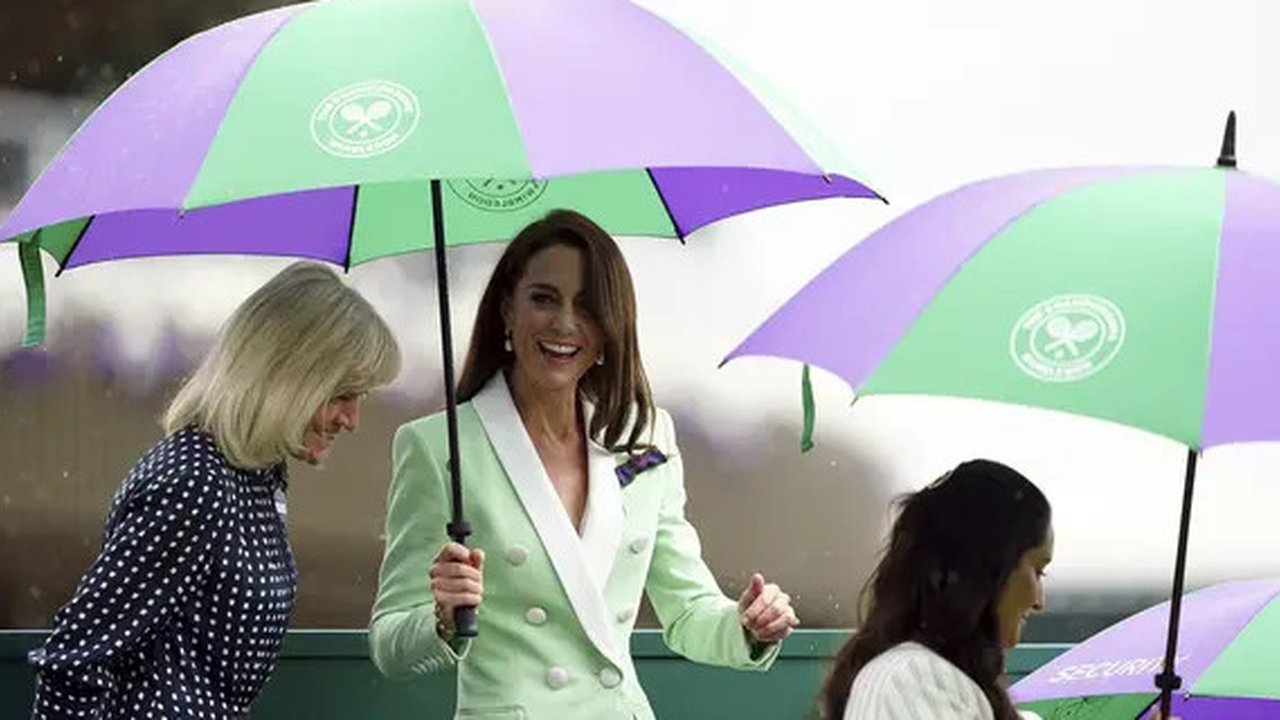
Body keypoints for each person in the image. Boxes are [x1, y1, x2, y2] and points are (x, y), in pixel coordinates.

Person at [369, 209, 798, 719]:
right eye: (544, 298)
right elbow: (390, 646)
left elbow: (686, 612)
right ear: (507, 308)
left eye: (588, 306)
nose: (565, 324)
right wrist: (441, 619)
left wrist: (747, 626)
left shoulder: (647, 437)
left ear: (611, 326)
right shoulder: (437, 447)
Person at [29, 261, 401, 720]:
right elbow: (76, 656)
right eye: (342, 395)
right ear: (288, 376)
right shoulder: (194, 483)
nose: (353, 420)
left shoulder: (255, 475)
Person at [822, 459, 1054, 720]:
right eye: (1038, 570)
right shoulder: (912, 680)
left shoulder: (930, 680)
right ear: (991, 563)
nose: (1039, 600)